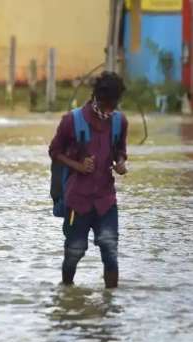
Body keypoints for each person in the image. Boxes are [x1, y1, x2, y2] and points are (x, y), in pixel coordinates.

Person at [48, 72, 129, 289]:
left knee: (110, 250)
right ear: (96, 98)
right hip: (78, 201)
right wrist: (78, 166)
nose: (109, 111)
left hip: (106, 201)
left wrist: (120, 163)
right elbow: (54, 151)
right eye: (106, 105)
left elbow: (120, 150)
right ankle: (66, 293)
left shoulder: (119, 122)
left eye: (114, 105)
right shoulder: (71, 121)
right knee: (74, 252)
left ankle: (110, 305)